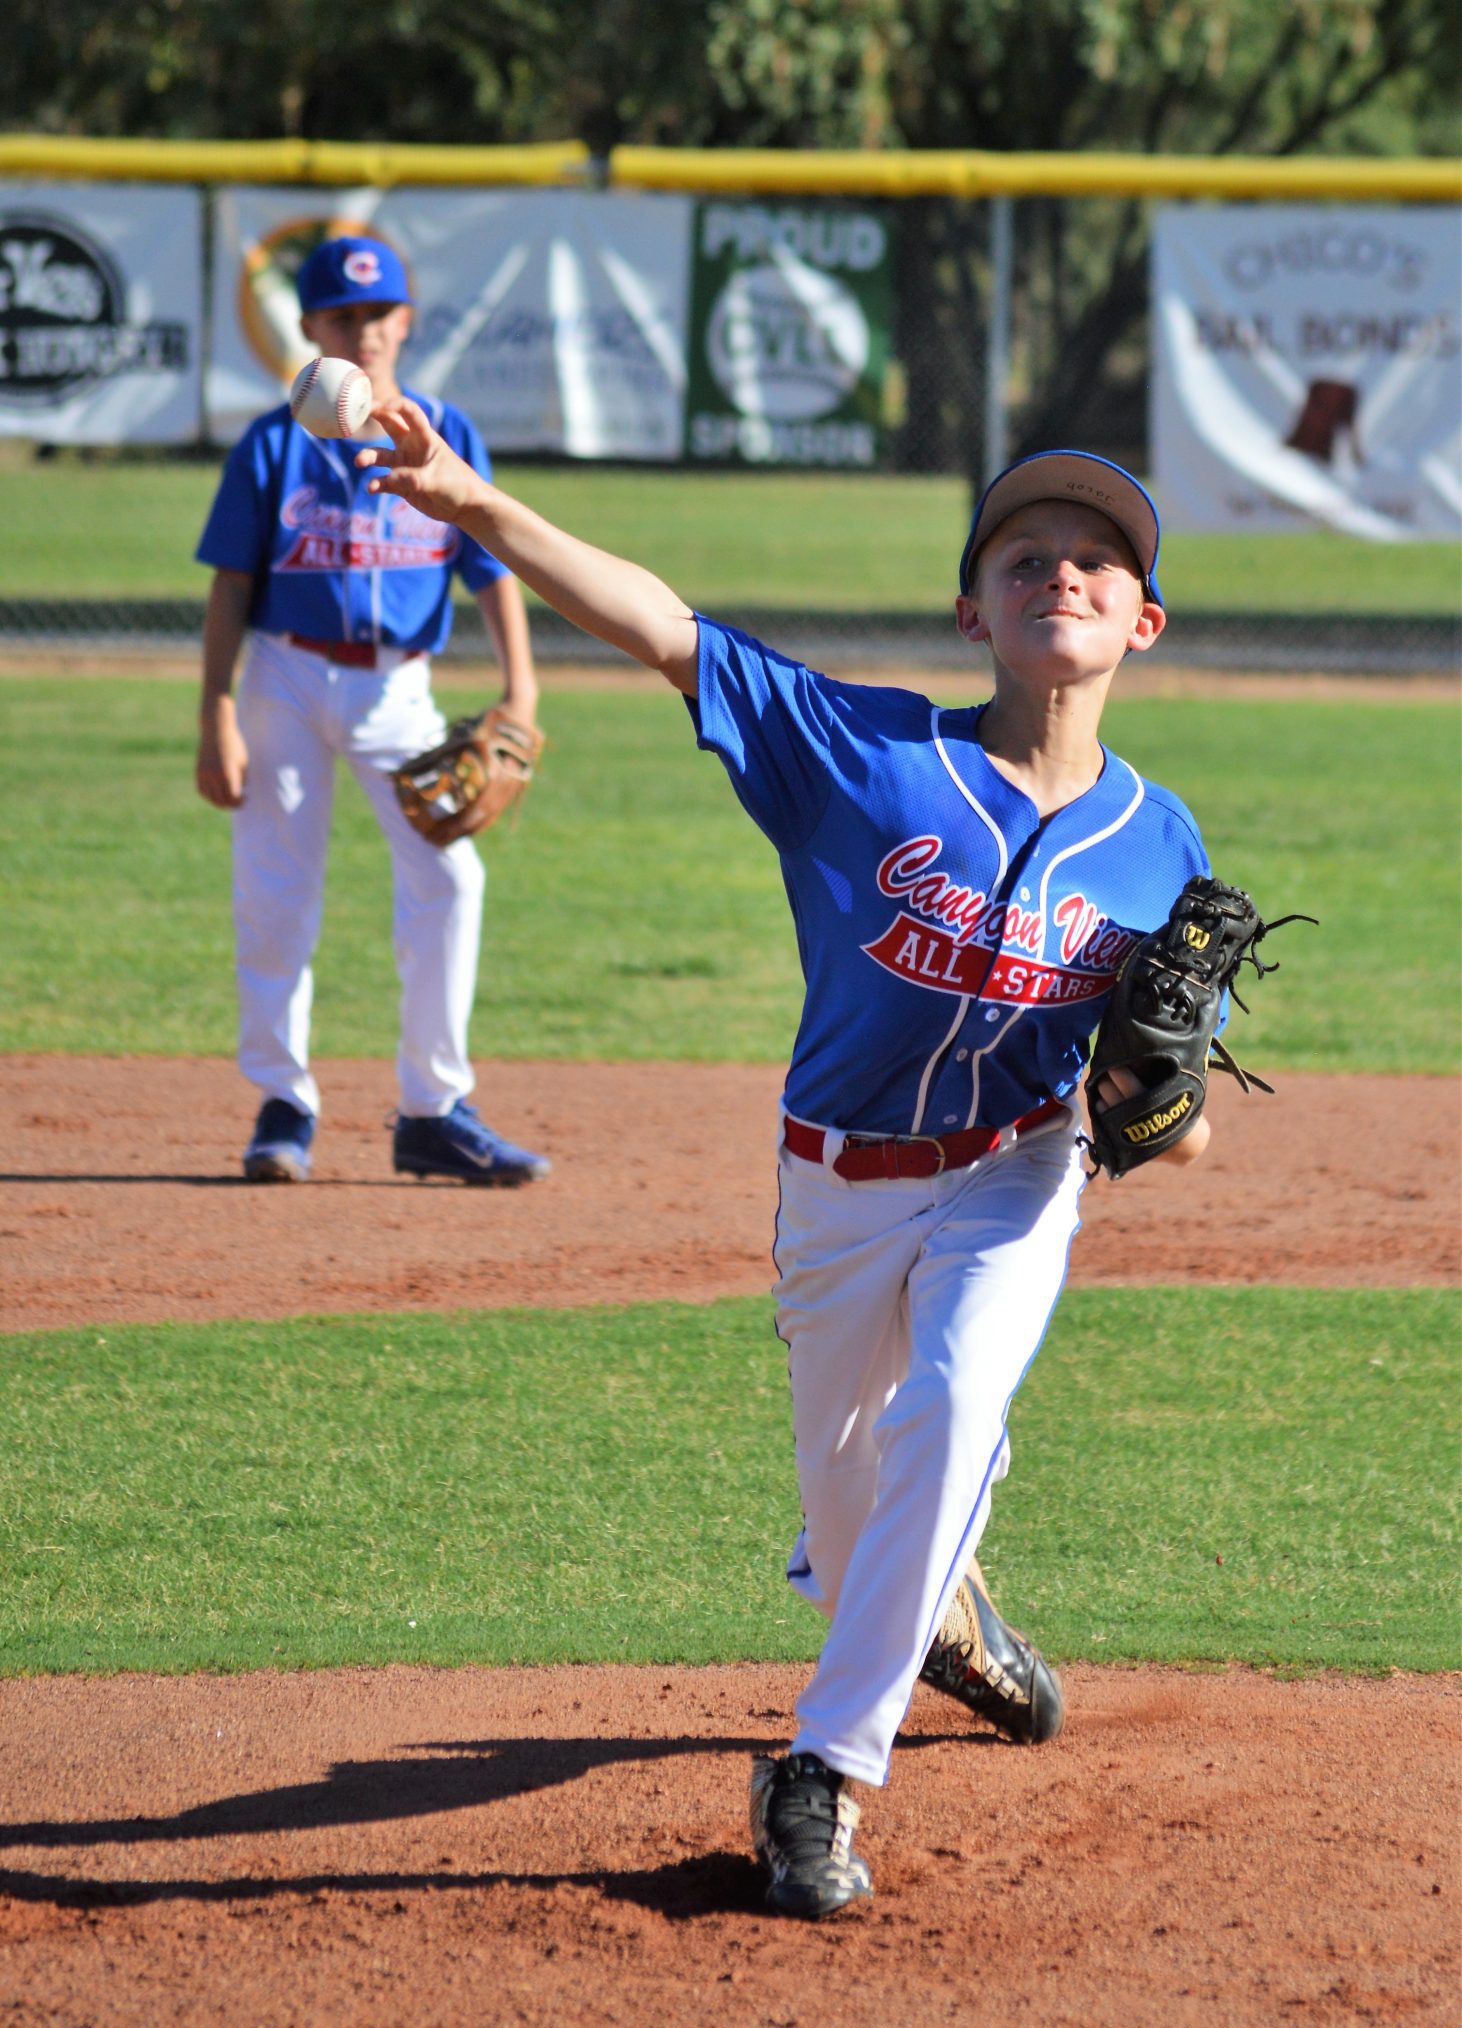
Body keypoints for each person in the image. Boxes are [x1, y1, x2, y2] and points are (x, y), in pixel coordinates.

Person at [354, 410, 1216, 1917]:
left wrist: (1156, 1101)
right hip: (835, 1186)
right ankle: (937, 1616)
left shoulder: (1162, 842)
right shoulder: (861, 753)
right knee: (854, 1517)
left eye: (1093, 561)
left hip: (1015, 1170)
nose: (1058, 575)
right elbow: (663, 627)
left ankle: (816, 1770)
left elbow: (1166, 1111)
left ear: (1141, 620)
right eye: (1024, 556)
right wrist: (472, 500)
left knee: (956, 1400)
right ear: (973, 610)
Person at [194, 234, 549, 1188]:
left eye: (379, 313)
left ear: (406, 321)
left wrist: (522, 684)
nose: (364, 330)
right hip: (285, 675)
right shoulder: (272, 445)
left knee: (451, 881)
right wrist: (215, 714)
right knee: (274, 890)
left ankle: (434, 1110)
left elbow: (492, 561)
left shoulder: (443, 433)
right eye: (343, 316)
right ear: (309, 329)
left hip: (399, 686)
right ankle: (283, 1101)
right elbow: (231, 587)